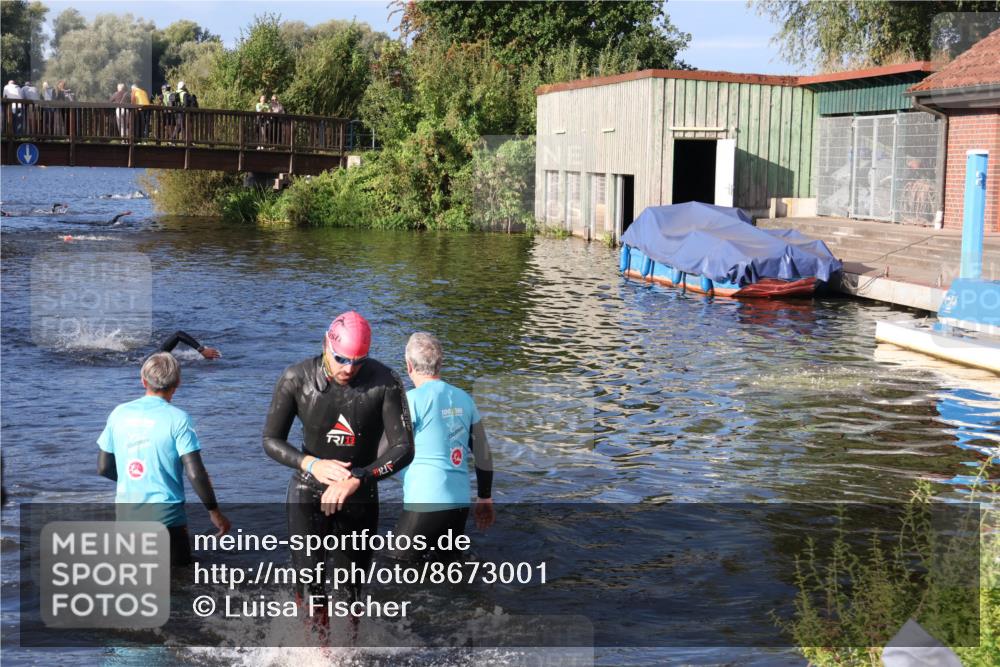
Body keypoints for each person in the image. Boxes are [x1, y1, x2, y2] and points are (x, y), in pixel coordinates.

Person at [262, 311, 414, 628]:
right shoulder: (296, 378)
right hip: (308, 487)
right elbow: (271, 440)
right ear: (326, 345)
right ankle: (316, 649)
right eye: (341, 359)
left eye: (358, 362)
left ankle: (349, 648)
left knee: (351, 590)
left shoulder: (386, 382)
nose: (349, 368)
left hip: (358, 491)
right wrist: (312, 464)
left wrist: (361, 476)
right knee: (310, 584)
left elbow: (404, 448)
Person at [97, 352, 231, 567]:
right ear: (177, 383)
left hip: (126, 517)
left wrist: (136, 481)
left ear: (143, 381)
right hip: (167, 517)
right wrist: (214, 512)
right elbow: (195, 473)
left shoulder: (119, 413)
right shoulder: (179, 419)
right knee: (179, 581)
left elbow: (104, 467)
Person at [390, 333, 494, 562]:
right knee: (447, 568)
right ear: (441, 362)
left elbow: (386, 452)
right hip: (459, 505)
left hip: (424, 502)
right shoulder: (464, 399)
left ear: (408, 365)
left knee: (394, 566)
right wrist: (485, 498)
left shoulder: (409, 401)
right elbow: (483, 454)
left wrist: (357, 477)